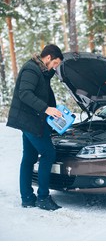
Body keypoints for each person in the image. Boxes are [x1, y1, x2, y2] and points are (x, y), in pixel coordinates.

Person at [7, 44, 64, 211]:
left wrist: (58, 70)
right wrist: (47, 109)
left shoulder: (40, 70)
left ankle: (27, 198)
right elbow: (25, 93)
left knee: (29, 158)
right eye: (55, 63)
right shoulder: (31, 70)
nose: (55, 67)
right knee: (48, 153)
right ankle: (43, 197)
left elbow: (44, 79)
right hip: (30, 121)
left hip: (31, 120)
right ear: (48, 58)